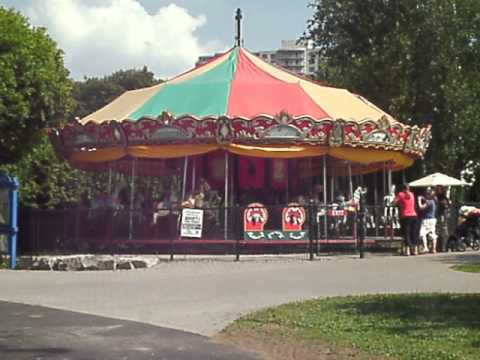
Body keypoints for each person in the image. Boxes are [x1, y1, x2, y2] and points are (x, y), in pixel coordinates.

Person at [395, 183, 418, 255]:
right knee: (413, 233)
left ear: (403, 188)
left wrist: (398, 203)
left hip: (405, 216)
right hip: (413, 215)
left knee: (406, 233)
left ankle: (408, 249)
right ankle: (415, 249)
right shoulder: (412, 194)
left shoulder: (401, 194)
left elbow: (394, 202)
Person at [418, 188, 438, 253]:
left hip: (427, 219)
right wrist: (424, 199)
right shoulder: (434, 201)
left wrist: (419, 200)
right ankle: (434, 248)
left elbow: (421, 207)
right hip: (433, 219)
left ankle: (425, 247)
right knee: (432, 234)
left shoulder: (429, 202)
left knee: (422, 233)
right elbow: (427, 201)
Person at [435, 185, 450, 252]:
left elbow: (445, 205)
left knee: (443, 229)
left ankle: (444, 246)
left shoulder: (443, 197)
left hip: (442, 215)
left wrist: (437, 201)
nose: (437, 191)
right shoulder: (439, 196)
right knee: (439, 230)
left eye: (438, 189)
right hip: (440, 214)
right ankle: (440, 246)